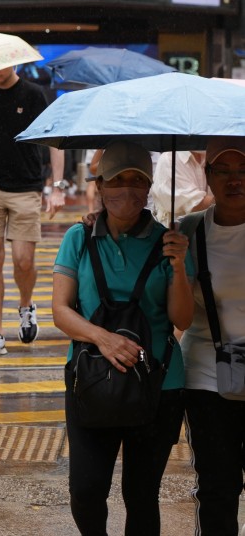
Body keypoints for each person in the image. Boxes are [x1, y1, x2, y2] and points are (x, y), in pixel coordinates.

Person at [51, 140, 193, 536]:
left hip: (159, 384)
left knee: (141, 492)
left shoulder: (170, 243)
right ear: (99, 185)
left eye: (137, 180)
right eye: (117, 179)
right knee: (86, 488)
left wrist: (179, 267)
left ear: (149, 188)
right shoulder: (78, 238)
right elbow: (60, 310)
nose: (126, 190)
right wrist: (103, 338)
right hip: (90, 378)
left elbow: (183, 317)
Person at [0, 65, 67, 357]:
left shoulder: (34, 95)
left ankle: (26, 304)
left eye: (0, 66)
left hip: (26, 187)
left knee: (23, 261)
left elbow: (54, 139)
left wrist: (57, 187)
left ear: (14, 63)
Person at [178, 136, 245, 536]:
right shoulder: (189, 230)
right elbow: (181, 317)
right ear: (208, 176)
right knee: (218, 488)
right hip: (206, 376)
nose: (235, 180)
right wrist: (173, 266)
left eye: (243, 170)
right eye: (224, 171)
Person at [150, 150, 212, 226]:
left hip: (207, 230)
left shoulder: (209, 157)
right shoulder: (169, 159)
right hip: (176, 233)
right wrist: (228, 201)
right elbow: (196, 204)